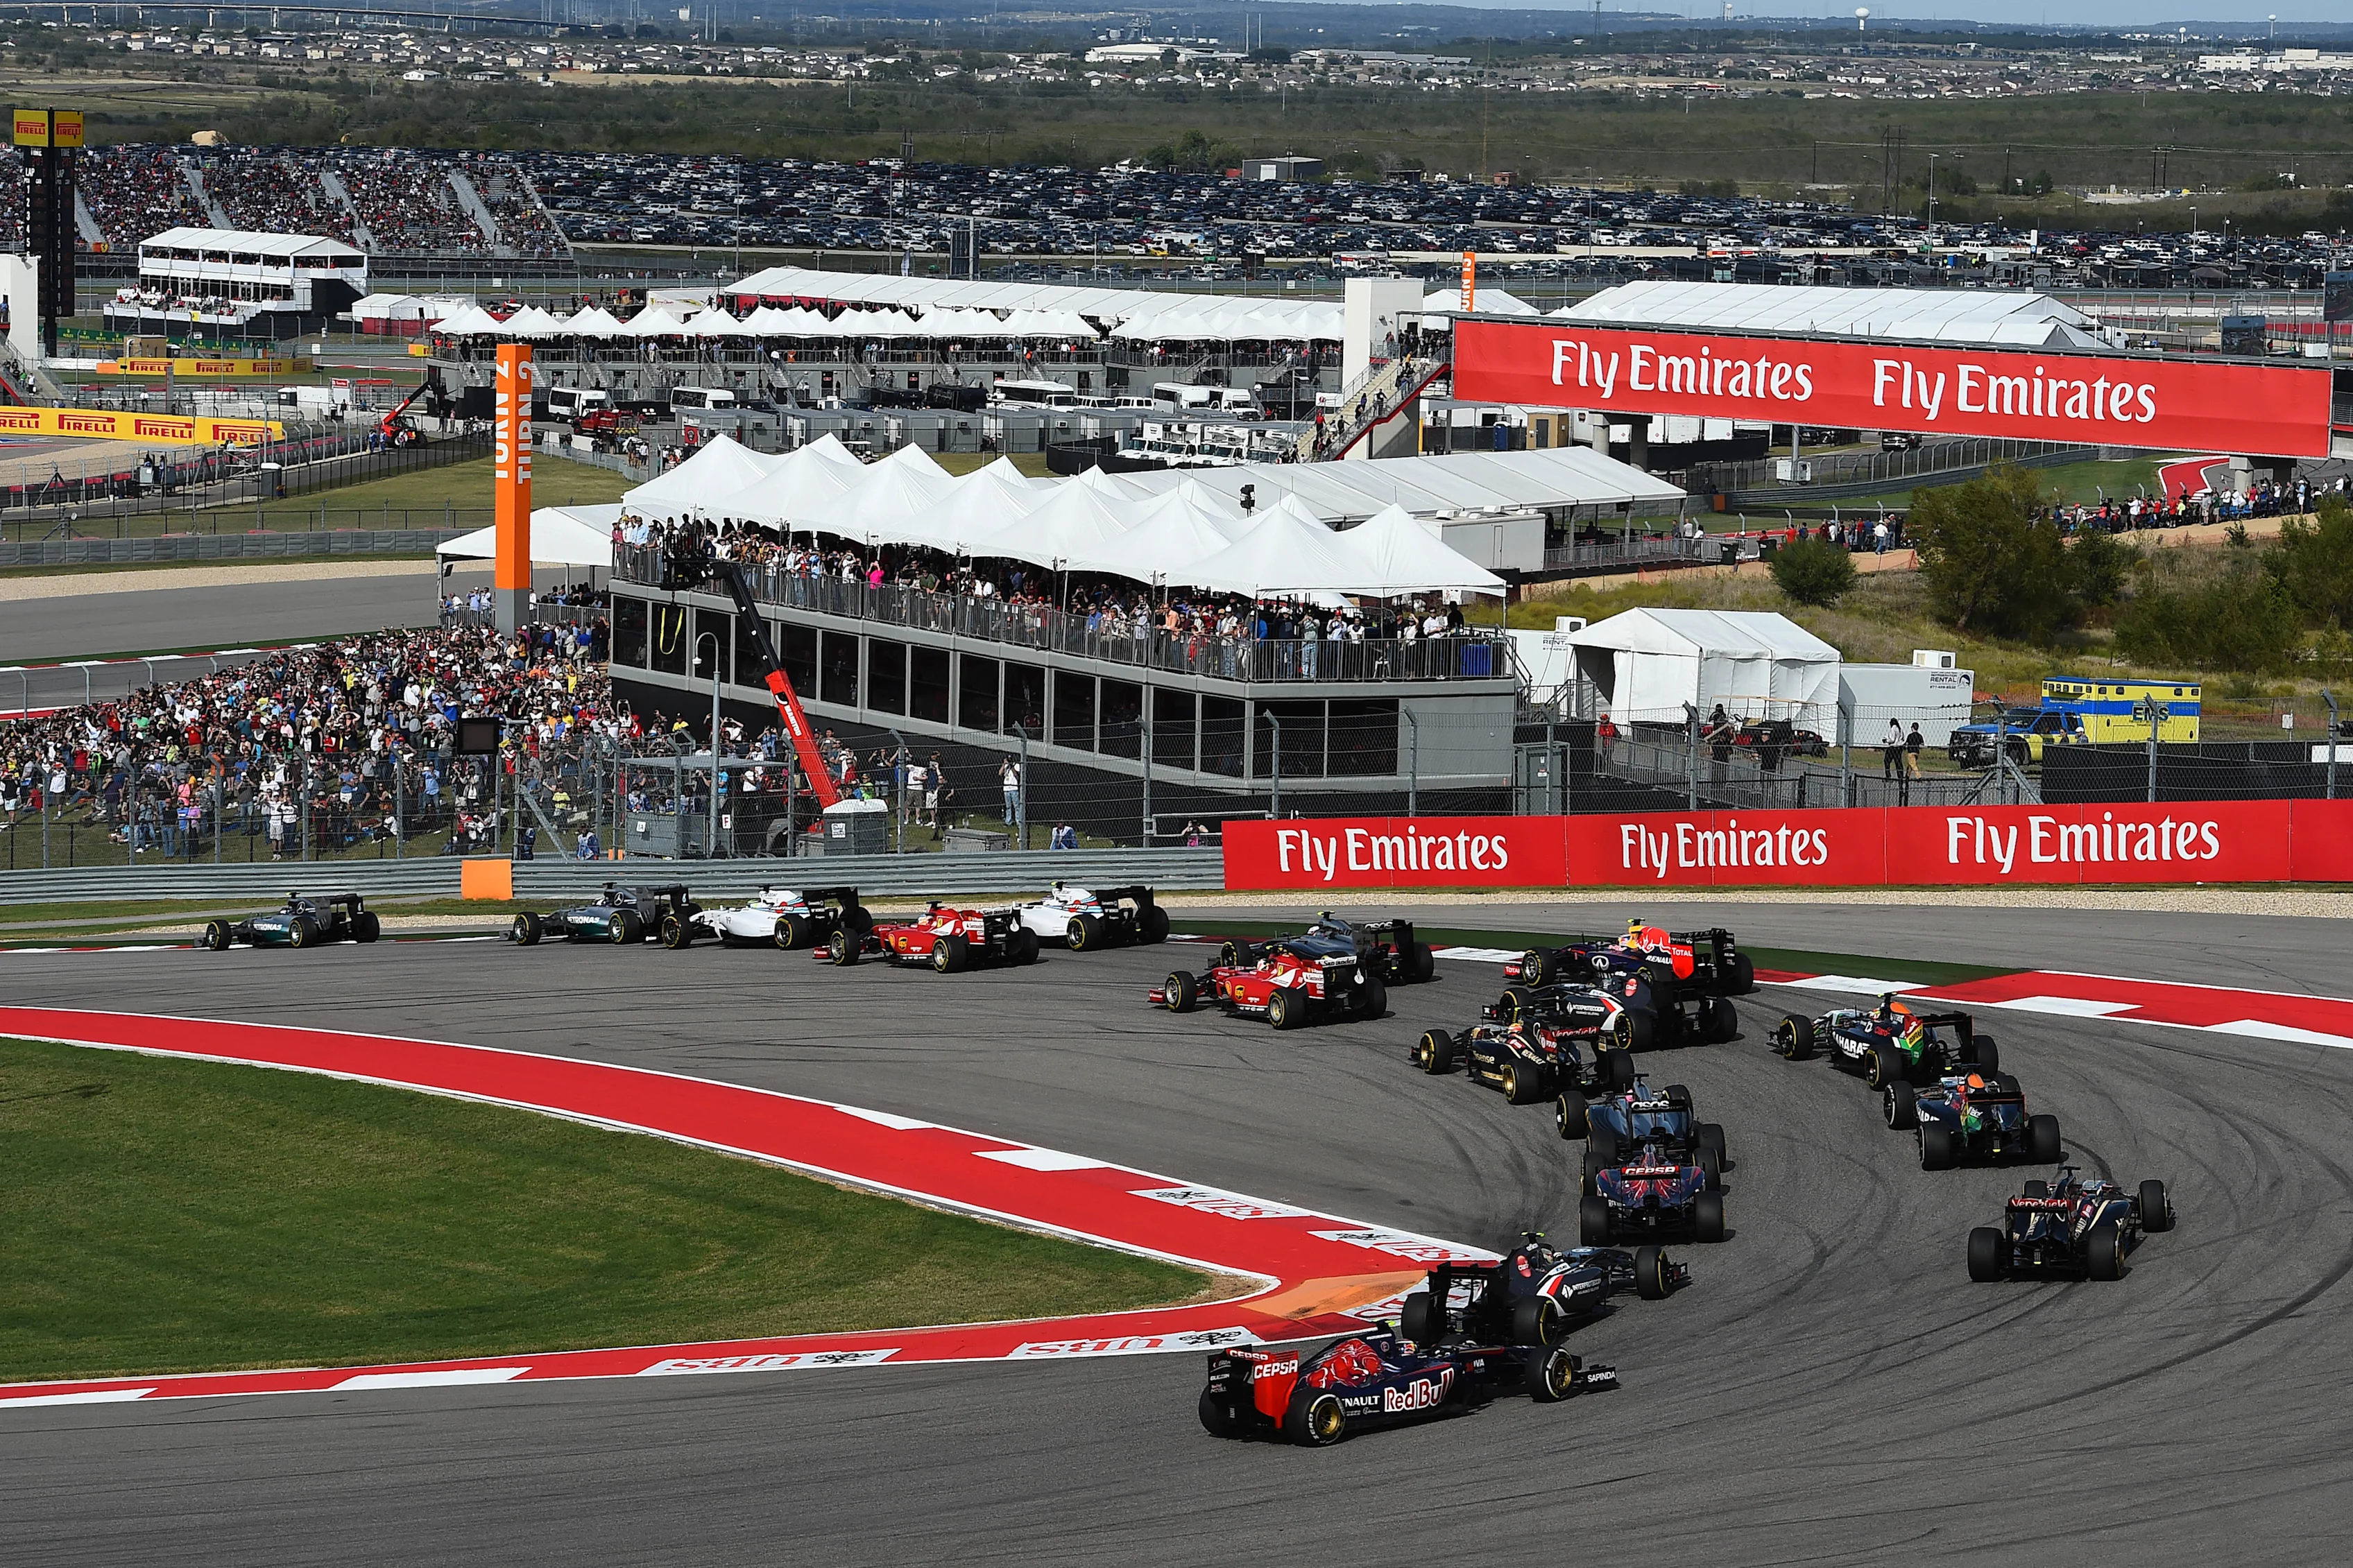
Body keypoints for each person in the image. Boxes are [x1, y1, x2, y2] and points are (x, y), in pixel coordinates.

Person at [1000, 755, 1020, 825]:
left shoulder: (1017, 765)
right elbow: (1000, 773)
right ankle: (1008, 821)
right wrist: (1004, 764)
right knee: (1008, 806)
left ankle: (1018, 821)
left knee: (1016, 806)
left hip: (1014, 788)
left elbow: (1017, 776)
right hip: (1006, 788)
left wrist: (1011, 767)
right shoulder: (1006, 766)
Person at [1883, 718, 1905, 782]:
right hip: (1899, 747)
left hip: (1893, 747)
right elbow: (1903, 738)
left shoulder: (1893, 729)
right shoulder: (1900, 729)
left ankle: (1888, 776)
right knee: (1898, 762)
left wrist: (1886, 741)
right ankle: (1901, 776)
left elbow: (1892, 739)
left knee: (1886, 761)